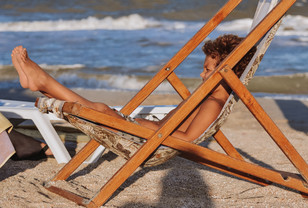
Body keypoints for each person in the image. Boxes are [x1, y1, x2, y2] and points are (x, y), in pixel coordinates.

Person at [11, 34, 255, 145]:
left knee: (99, 109)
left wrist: (146, 128)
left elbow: (188, 140)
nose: (202, 74)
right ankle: (42, 83)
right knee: (98, 109)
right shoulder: (205, 98)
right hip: (145, 132)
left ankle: (42, 81)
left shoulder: (211, 104)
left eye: (208, 70)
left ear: (227, 72)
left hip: (147, 137)